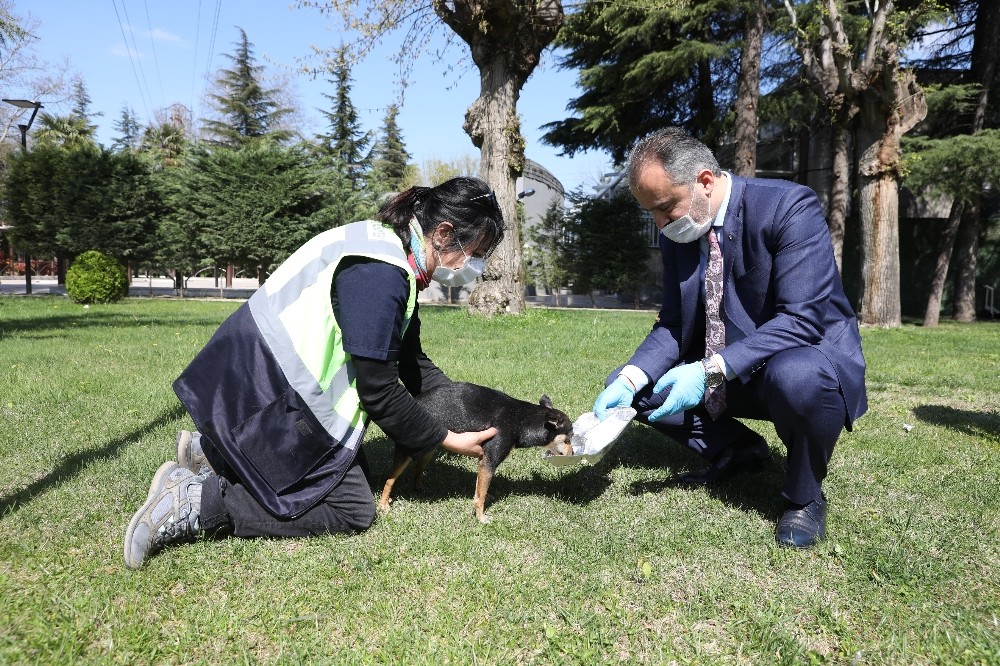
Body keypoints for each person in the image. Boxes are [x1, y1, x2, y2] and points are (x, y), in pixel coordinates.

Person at [124, 176, 505, 568]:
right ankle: (193, 502)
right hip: (268, 388)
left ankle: (213, 455)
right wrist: (445, 438)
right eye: (474, 253)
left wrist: (465, 409)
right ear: (443, 234)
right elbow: (379, 392)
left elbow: (412, 361)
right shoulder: (382, 274)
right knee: (352, 506)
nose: (473, 267)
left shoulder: (387, 249)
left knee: (351, 470)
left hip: (251, 371)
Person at [593, 128, 867, 548]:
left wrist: (710, 370)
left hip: (797, 360)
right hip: (724, 369)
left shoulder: (788, 206)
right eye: (651, 212)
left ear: (705, 181)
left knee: (798, 378)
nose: (660, 223)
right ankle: (737, 449)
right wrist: (631, 377)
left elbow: (801, 319)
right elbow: (674, 323)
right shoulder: (680, 233)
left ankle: (804, 496)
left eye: (664, 207)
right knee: (634, 385)